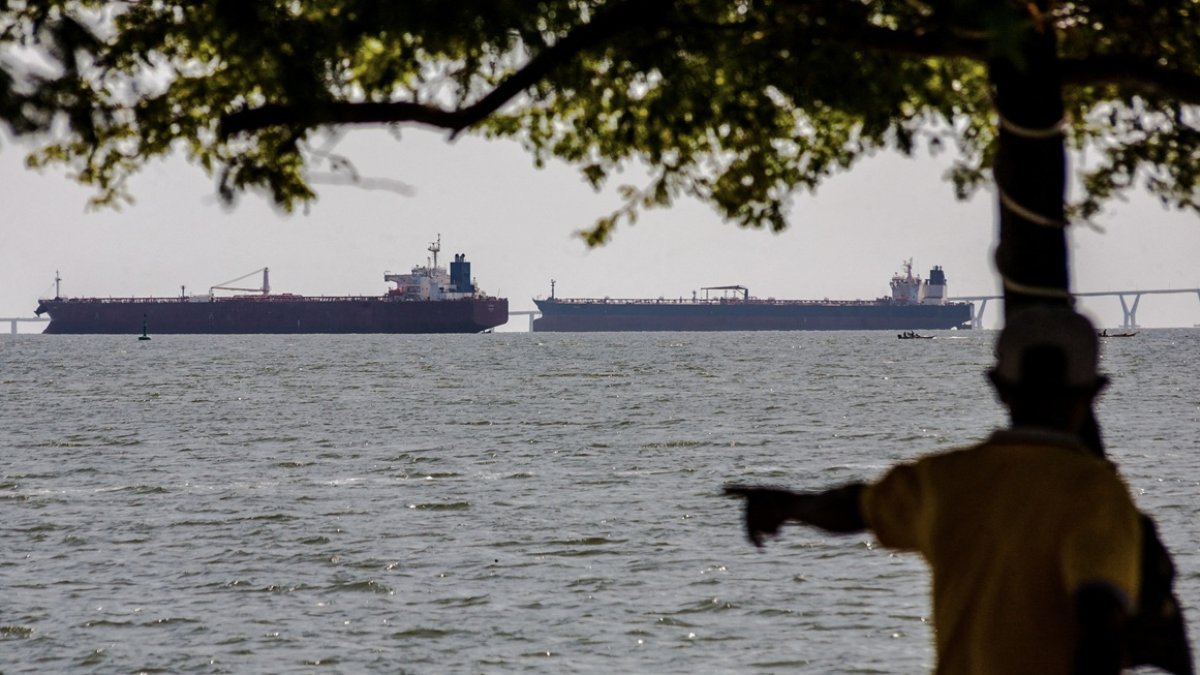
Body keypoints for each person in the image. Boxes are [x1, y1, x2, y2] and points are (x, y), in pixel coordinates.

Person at [726, 306, 1144, 675]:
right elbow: (1101, 623)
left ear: (997, 384)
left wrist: (786, 505)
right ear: (1094, 392)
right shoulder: (1098, 494)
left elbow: (853, 508)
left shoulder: (945, 480)